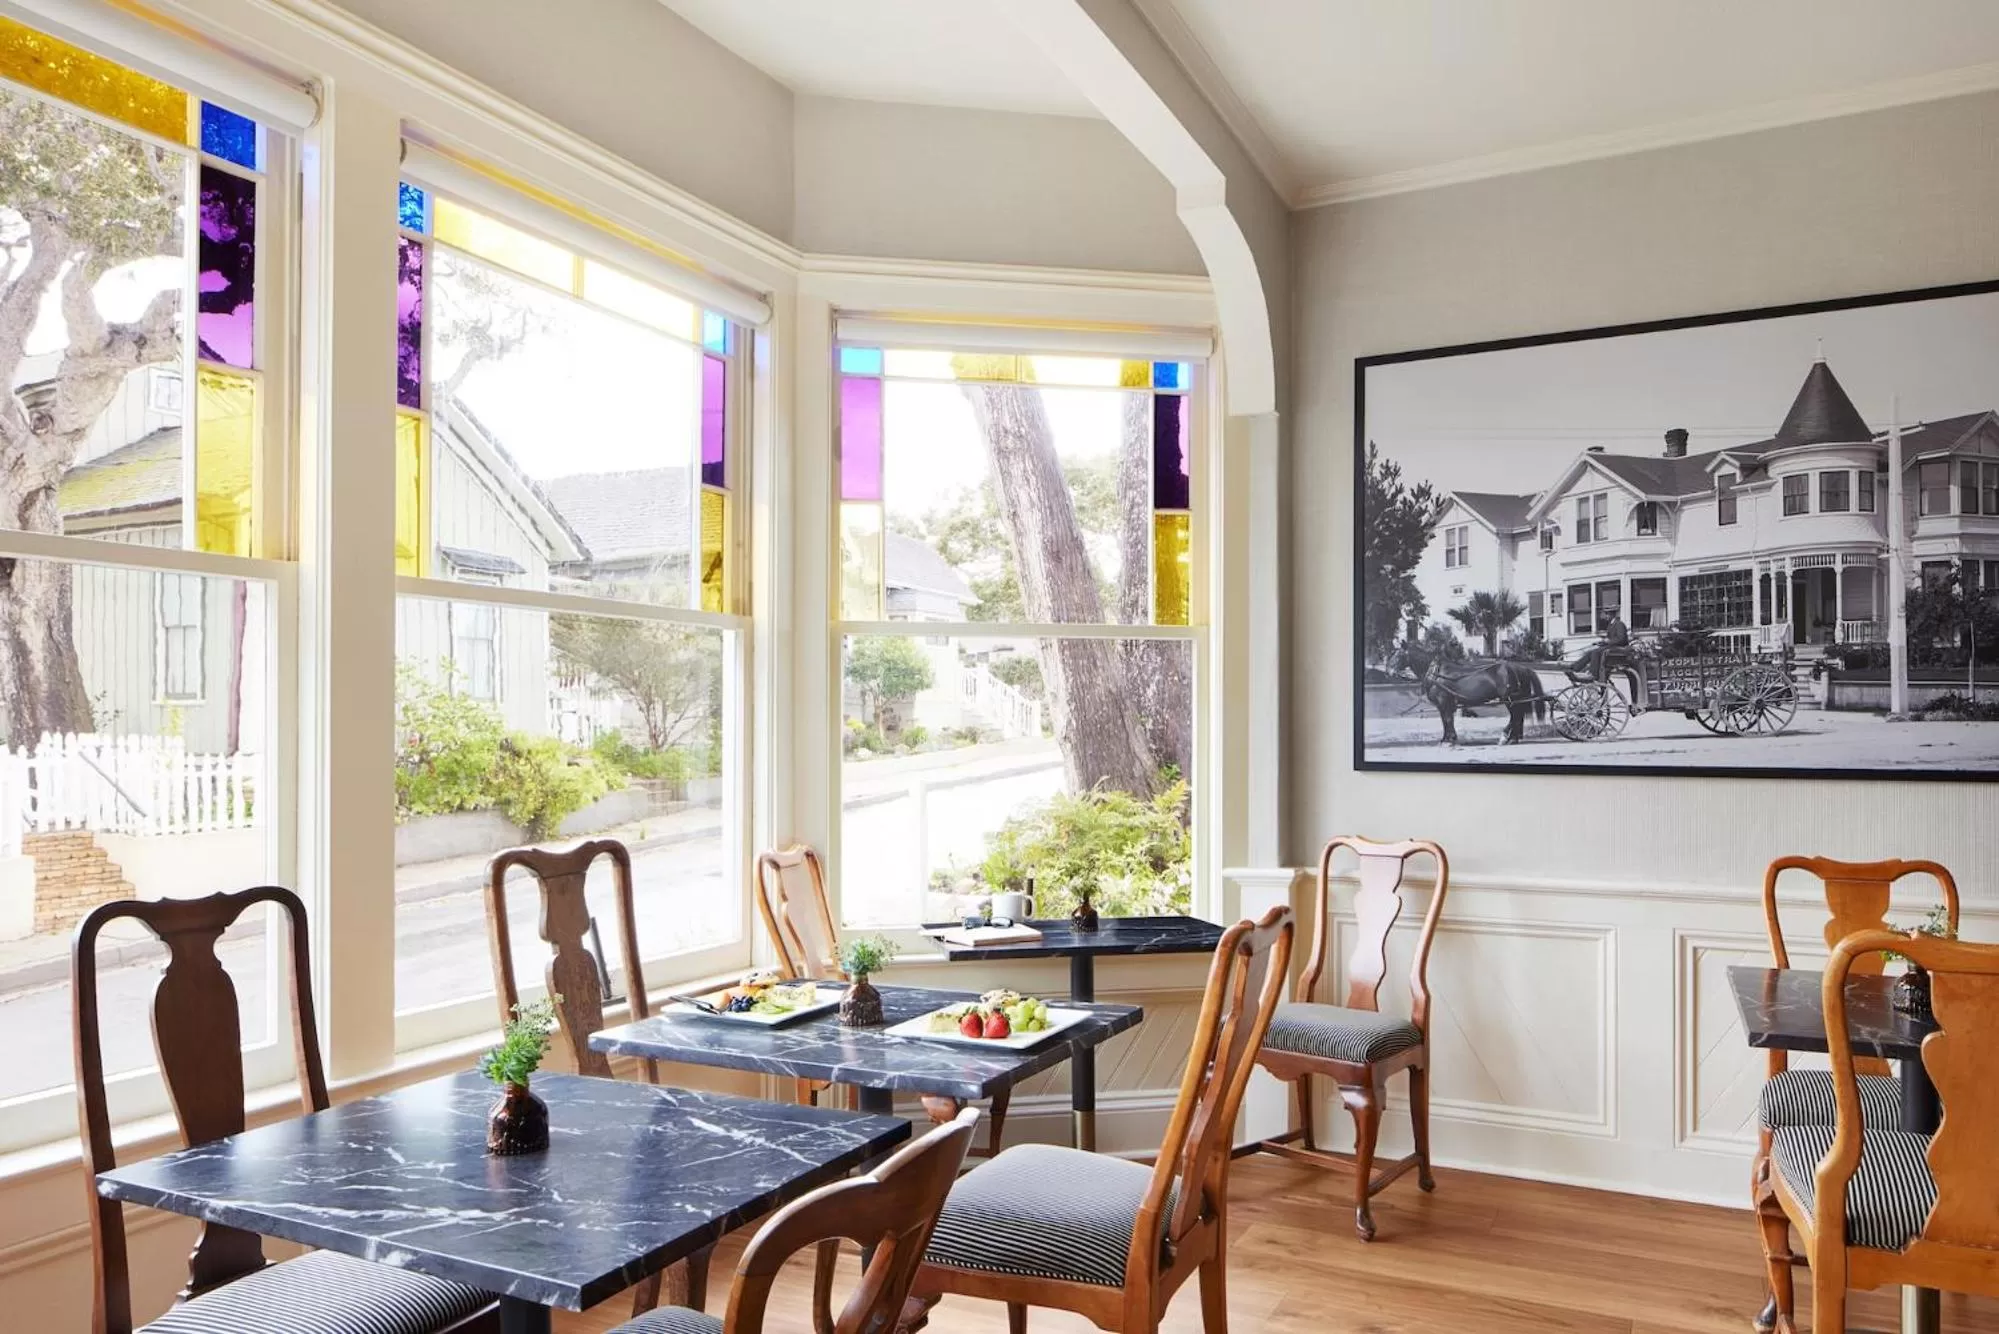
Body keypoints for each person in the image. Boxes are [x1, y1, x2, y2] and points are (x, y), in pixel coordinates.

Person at [1585, 612, 1630, 683]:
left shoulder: (1619, 624)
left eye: (1607, 614)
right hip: (1611, 647)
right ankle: (1575, 667)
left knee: (1596, 652)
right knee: (1590, 652)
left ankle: (1593, 674)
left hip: (1619, 649)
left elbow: (1621, 639)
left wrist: (1608, 641)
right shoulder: (1610, 625)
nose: (1605, 616)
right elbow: (1609, 638)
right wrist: (1601, 642)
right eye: (1606, 614)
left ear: (1612, 615)